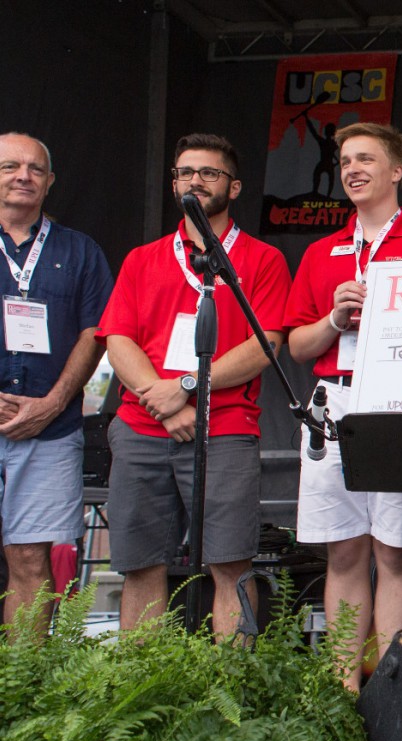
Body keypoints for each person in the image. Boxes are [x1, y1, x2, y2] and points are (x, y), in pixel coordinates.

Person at [284, 122, 402, 688]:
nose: (352, 169)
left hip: (400, 400)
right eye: (345, 160)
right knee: (344, 553)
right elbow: (297, 347)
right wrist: (333, 319)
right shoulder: (320, 251)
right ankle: (342, 683)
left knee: (397, 552)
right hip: (334, 398)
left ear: (397, 170)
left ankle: (389, 682)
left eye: (366, 159)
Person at [99, 133, 291, 638]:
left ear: (235, 186)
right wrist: (163, 403)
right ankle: (144, 691)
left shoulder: (262, 259)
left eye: (209, 173)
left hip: (224, 429)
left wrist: (186, 386)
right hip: (142, 428)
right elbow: (117, 339)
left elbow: (265, 343)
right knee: (141, 564)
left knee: (229, 564)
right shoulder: (143, 259)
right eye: (185, 172)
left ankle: (233, 693)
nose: (195, 181)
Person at [0, 133, 112, 635]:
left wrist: (54, 402)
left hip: (49, 428)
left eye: (35, 169)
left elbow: (97, 331)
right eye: (10, 166)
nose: (23, 175)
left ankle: (21, 694)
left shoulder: (81, 251)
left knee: (29, 560)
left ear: (49, 183)